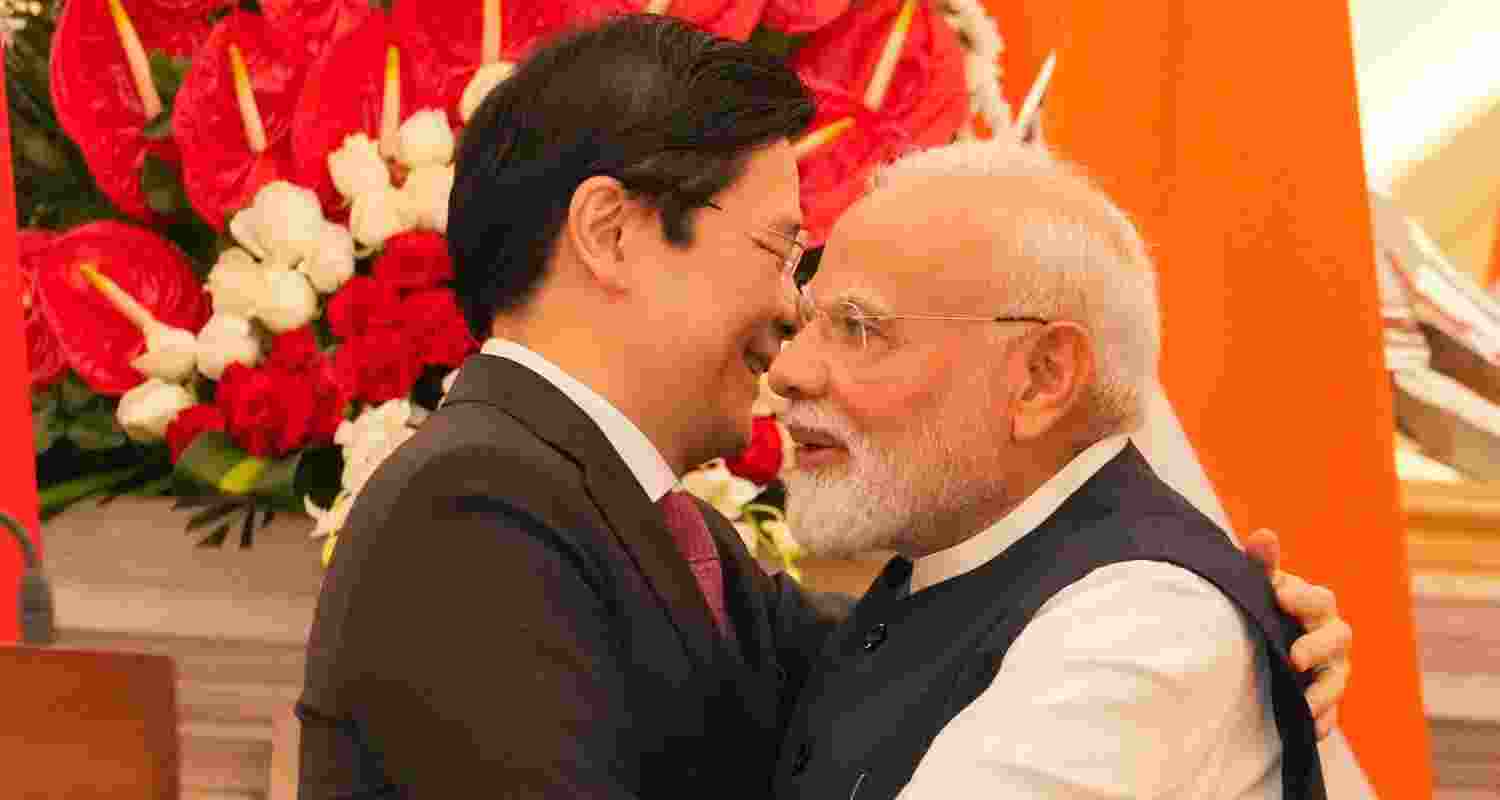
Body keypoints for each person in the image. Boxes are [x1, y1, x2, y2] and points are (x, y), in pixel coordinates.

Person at [296, 14, 1350, 799]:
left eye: (850, 320)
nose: (787, 322)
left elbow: (903, 684)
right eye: (777, 251)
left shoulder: (671, 532)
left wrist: (1239, 625)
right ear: (612, 234)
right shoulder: (473, 506)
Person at [768, 137, 1341, 800]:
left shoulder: (1145, 623)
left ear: (1043, 377)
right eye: (809, 322)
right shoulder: (944, 570)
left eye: (858, 327)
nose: (789, 370)